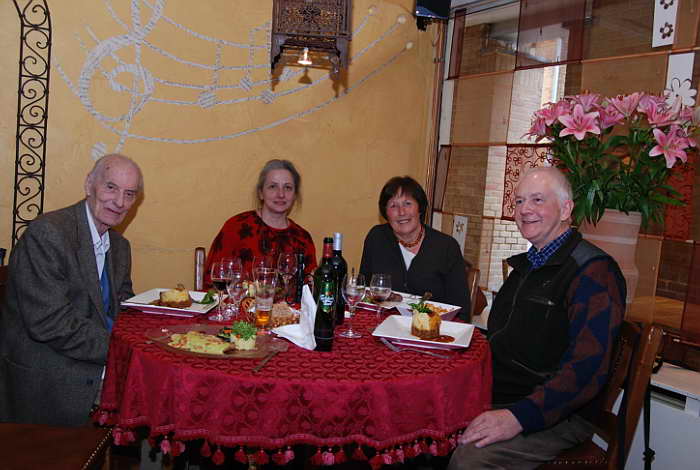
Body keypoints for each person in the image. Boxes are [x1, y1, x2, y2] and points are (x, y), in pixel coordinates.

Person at [448, 167, 626, 469]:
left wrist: (519, 417)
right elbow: (503, 337)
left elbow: (586, 370)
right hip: (504, 392)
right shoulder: (529, 265)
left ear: (566, 209)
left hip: (558, 412)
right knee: (422, 422)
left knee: (469, 458)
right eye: (518, 201)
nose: (524, 210)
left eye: (537, 200)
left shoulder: (594, 273)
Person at [0, 154, 143, 427]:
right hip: (48, 372)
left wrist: (154, 324)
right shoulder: (49, 233)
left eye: (129, 194)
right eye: (110, 187)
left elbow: (124, 308)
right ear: (89, 184)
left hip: (91, 357)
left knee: (162, 391)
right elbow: (49, 323)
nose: (120, 202)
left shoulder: (119, 246)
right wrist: (122, 349)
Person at [360, 176, 470, 320]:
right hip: (383, 324)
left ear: (420, 208)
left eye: (407, 203)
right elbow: (363, 291)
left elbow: (461, 310)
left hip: (433, 329)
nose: (401, 212)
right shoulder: (377, 238)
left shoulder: (446, 247)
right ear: (385, 213)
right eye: (393, 205)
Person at [204, 159, 317, 285]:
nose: (281, 194)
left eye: (288, 187)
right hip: (237, 304)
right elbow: (211, 282)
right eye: (273, 186)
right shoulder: (236, 227)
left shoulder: (303, 239)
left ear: (295, 195)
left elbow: (310, 292)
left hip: (289, 306)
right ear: (260, 193)